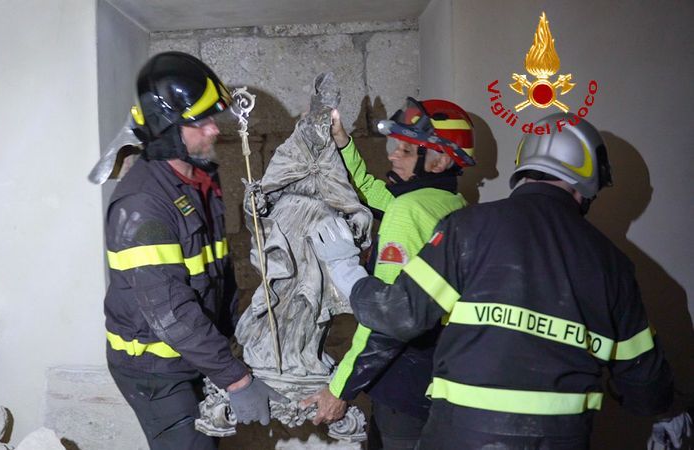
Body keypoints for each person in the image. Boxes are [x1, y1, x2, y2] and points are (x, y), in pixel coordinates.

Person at [311, 112, 674, 449]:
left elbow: (398, 316)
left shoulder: (468, 228)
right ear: (590, 180)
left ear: (525, 164)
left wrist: (347, 271)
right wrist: (666, 414)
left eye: (407, 148)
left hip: (458, 434)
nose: (394, 156)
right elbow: (645, 386)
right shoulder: (613, 266)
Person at [101, 51, 286, 450]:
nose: (214, 131)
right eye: (199, 122)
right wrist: (237, 379)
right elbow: (170, 312)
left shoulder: (200, 180)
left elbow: (219, 273)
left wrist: (236, 340)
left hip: (191, 354)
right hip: (154, 369)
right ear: (166, 129)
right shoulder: (142, 206)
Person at [301, 97, 477, 450]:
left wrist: (341, 388)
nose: (393, 155)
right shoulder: (454, 206)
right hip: (439, 379)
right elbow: (367, 189)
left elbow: (385, 319)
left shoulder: (407, 212)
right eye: (394, 145)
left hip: (404, 384)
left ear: (440, 159)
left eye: (406, 150)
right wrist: (343, 143)